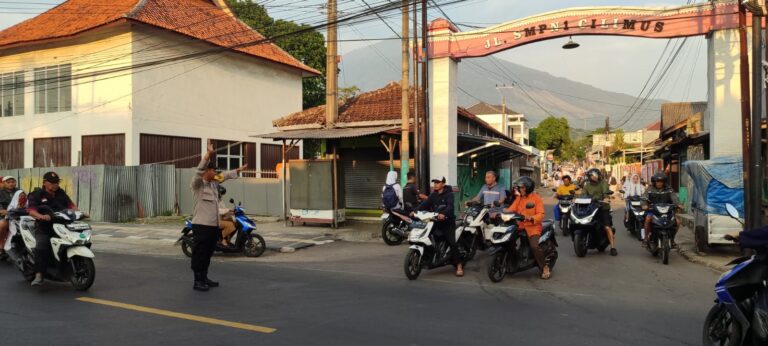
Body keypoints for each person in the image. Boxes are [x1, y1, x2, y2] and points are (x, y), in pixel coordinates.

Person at [190, 140, 247, 291]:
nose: (216, 174)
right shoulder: (198, 185)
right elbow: (198, 171)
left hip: (213, 226)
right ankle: (197, 280)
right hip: (201, 225)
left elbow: (225, 175)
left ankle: (205, 277)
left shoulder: (214, 185)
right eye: (214, 171)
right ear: (207, 171)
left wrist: (238, 170)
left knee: (208, 253)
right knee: (200, 253)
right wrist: (208, 155)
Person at [26, 172, 77, 286]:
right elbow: (31, 210)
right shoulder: (37, 194)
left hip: (62, 224)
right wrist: (40, 216)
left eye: (57, 182)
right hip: (44, 226)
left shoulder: (60, 192)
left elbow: (71, 205)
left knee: (75, 240)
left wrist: (79, 212)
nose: (55, 185)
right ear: (44, 183)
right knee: (42, 246)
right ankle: (39, 275)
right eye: (53, 183)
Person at [505, 176, 551, 279]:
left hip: (533, 227)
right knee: (507, 240)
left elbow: (541, 214)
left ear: (528, 188)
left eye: (522, 188)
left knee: (534, 246)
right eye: (519, 188)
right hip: (520, 226)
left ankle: (544, 267)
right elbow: (511, 209)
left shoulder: (536, 199)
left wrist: (531, 218)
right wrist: (500, 213)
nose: (520, 190)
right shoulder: (519, 198)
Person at [415, 177, 461, 276]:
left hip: (447, 222)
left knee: (452, 242)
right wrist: (414, 211)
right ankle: (430, 257)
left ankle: (459, 265)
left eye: (438, 182)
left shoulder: (449, 194)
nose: (435, 184)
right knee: (426, 236)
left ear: (443, 184)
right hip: (435, 221)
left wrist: (443, 214)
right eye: (434, 182)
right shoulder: (433, 195)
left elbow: (450, 207)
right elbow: (424, 204)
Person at [581, 168, 618, 256]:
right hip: (590, 208)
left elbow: (605, 192)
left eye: (595, 176)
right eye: (592, 176)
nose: (594, 177)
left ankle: (613, 247)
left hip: (602, 207)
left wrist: (606, 198)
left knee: (607, 227)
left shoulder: (603, 183)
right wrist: (578, 198)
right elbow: (583, 195)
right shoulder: (587, 185)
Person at [642, 173, 682, 249]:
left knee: (678, 222)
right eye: (657, 181)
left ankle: (672, 240)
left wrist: (679, 204)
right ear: (654, 182)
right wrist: (644, 205)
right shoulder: (649, 189)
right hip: (653, 211)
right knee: (647, 219)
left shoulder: (669, 189)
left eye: (661, 181)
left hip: (667, 212)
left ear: (664, 182)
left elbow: (675, 198)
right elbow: (644, 198)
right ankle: (646, 238)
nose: (659, 183)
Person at [0, 176, 19, 260]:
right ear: (4, 183)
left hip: (19, 215)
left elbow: (26, 201)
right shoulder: (0, 192)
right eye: (8, 182)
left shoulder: (19, 191)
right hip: (4, 215)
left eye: (13, 181)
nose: (11, 184)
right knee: (2, 224)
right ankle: (1, 246)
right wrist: (2, 210)